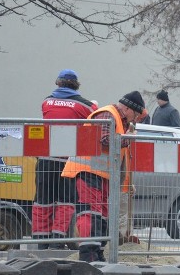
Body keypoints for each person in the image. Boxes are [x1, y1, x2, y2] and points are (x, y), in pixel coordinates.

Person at [61, 91, 146, 262]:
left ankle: (98, 252)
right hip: (87, 172)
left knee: (102, 215)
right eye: (136, 115)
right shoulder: (108, 114)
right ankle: (88, 254)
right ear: (128, 108)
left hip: (101, 176)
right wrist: (127, 139)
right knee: (90, 214)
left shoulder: (118, 121)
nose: (135, 119)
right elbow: (105, 140)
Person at [32, 69, 98, 249]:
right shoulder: (84, 106)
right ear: (76, 85)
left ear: (58, 83)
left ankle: (40, 241)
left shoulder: (46, 102)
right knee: (65, 201)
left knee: (42, 201)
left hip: (45, 160)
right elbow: (97, 116)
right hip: (68, 162)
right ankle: (58, 240)